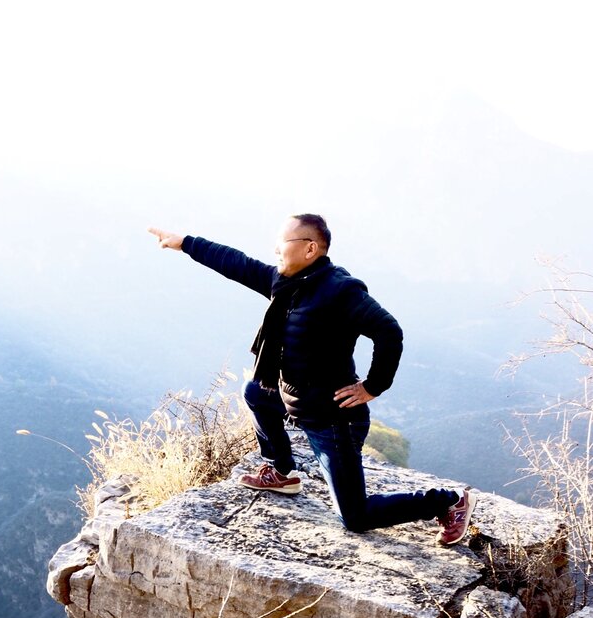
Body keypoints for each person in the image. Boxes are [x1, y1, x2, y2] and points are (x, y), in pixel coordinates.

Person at [148, 214, 476, 546]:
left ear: (309, 249)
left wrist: (373, 387)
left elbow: (389, 332)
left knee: (356, 517)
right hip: (295, 398)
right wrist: (185, 243)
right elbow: (238, 263)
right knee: (257, 393)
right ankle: (283, 471)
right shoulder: (286, 283)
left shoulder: (340, 292)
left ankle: (448, 502)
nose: (276, 249)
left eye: (283, 243)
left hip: (332, 419)